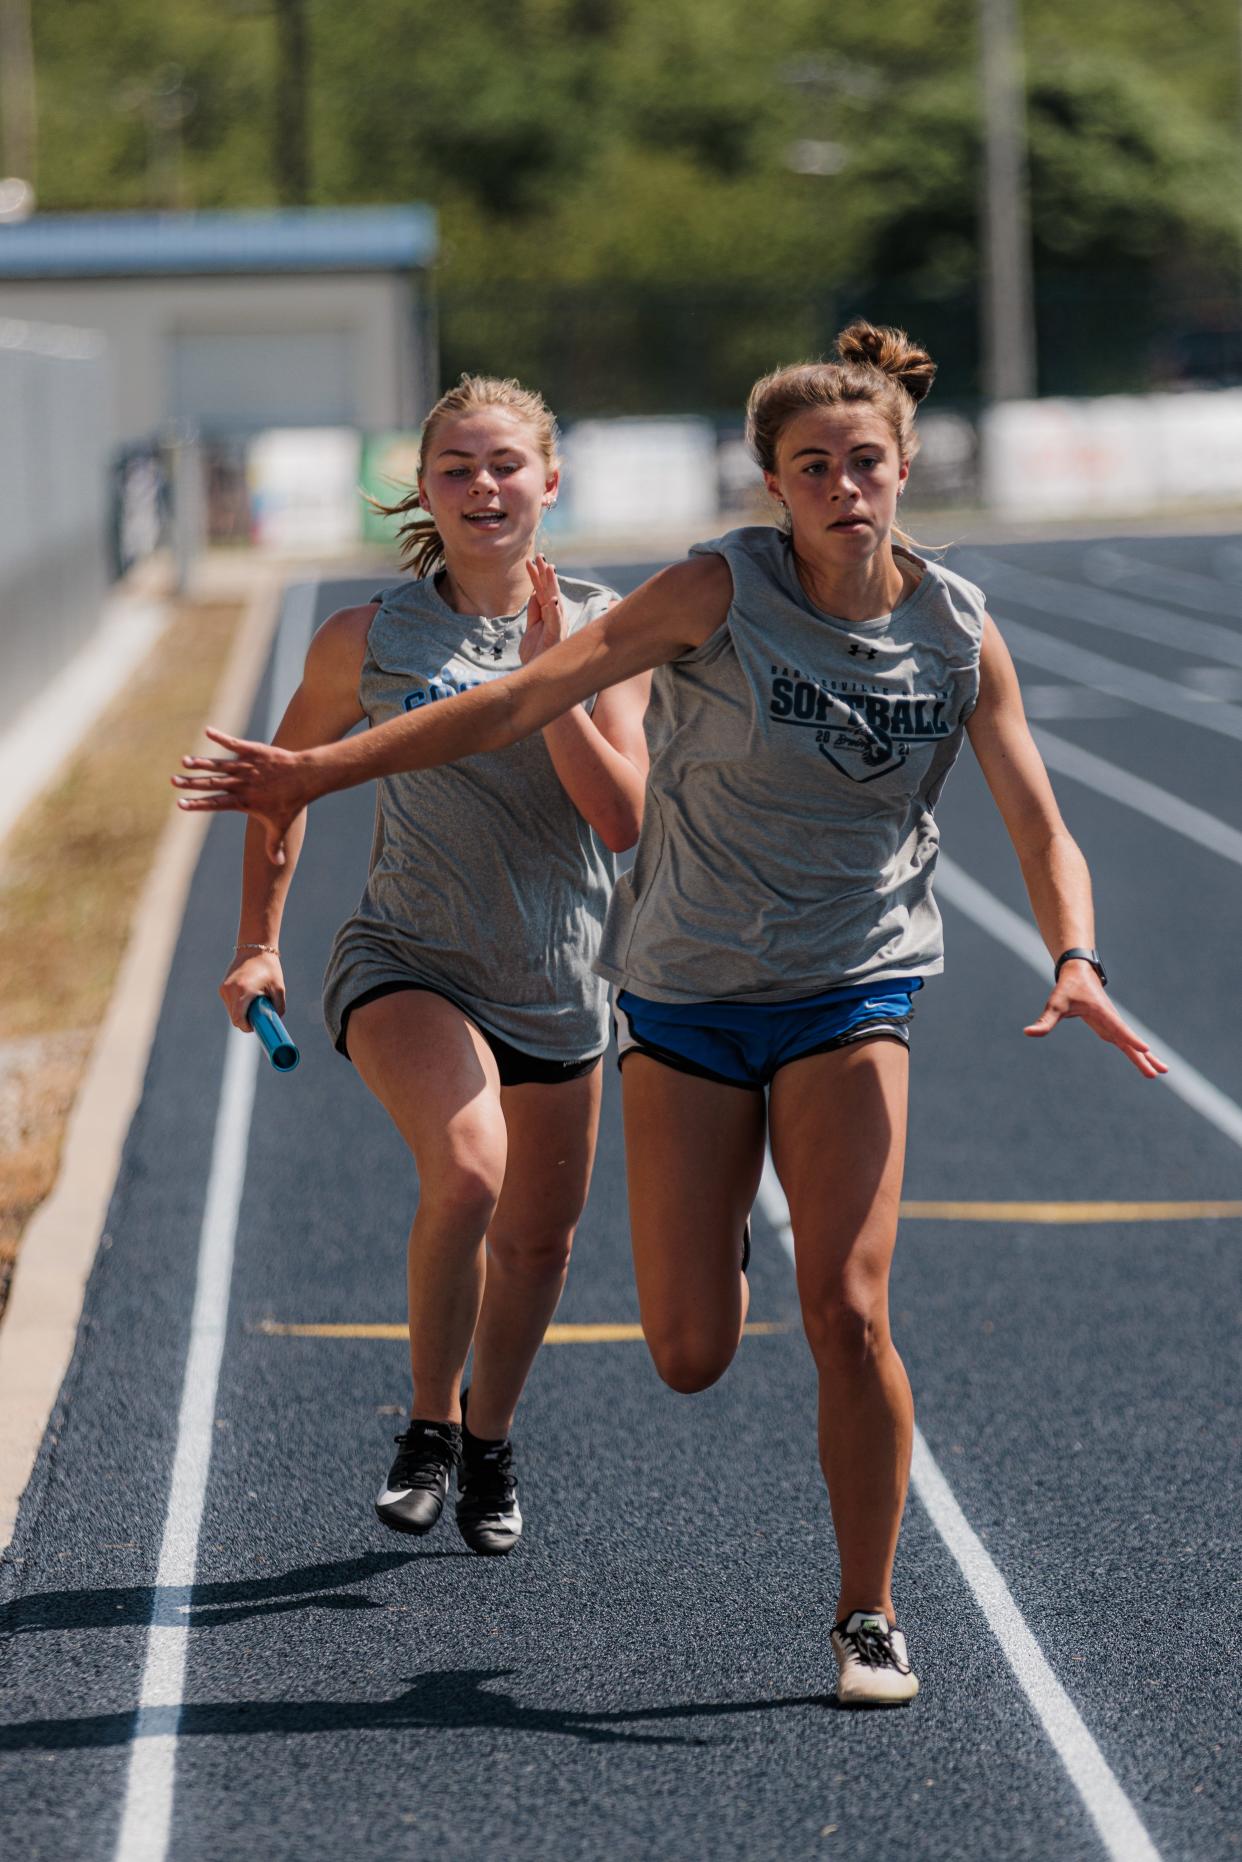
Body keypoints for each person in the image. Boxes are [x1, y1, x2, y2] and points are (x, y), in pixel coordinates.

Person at [177, 323, 1165, 1699]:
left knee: (850, 1308)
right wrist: (314, 773)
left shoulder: (957, 629)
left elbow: (1038, 819)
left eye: (865, 461)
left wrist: (1076, 954)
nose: (843, 485)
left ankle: (867, 1611)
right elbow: (513, 699)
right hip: (689, 989)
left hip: (852, 982)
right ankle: (602, 1333)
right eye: (812, 464)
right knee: (689, 1350)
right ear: (772, 481)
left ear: (902, 467)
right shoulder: (711, 591)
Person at [214, 374, 650, 1556]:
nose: (482, 486)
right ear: (423, 488)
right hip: (408, 959)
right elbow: (280, 784)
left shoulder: (613, 629)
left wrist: (555, 676)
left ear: (549, 481)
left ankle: (489, 1433)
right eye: (455, 466)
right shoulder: (369, 638)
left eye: (505, 463)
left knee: (540, 1243)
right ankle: (423, 1424)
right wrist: (260, 938)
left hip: (562, 983)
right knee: (468, 1174)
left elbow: (622, 819)